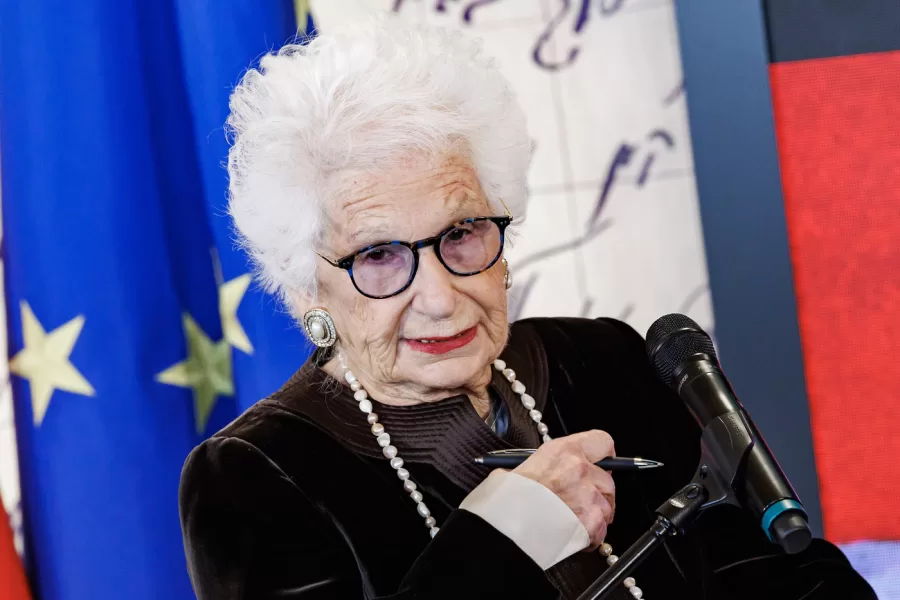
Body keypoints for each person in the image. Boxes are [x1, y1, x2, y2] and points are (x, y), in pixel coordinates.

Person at [178, 16, 875, 600]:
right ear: (307, 287)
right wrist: (499, 545)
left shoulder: (605, 361)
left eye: (460, 234)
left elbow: (779, 576)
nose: (441, 295)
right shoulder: (252, 474)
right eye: (380, 257)